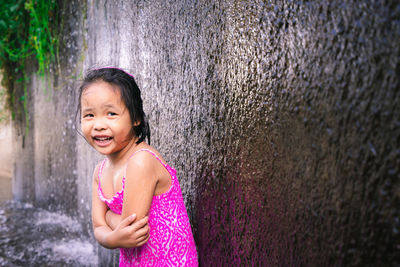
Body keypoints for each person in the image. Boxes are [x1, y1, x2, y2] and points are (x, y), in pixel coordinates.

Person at [78, 67, 198, 266]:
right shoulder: (99, 172)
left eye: (111, 113)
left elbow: (132, 231)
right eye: (89, 115)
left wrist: (108, 216)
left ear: (136, 118)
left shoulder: (142, 160)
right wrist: (112, 238)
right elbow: (99, 228)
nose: (98, 125)